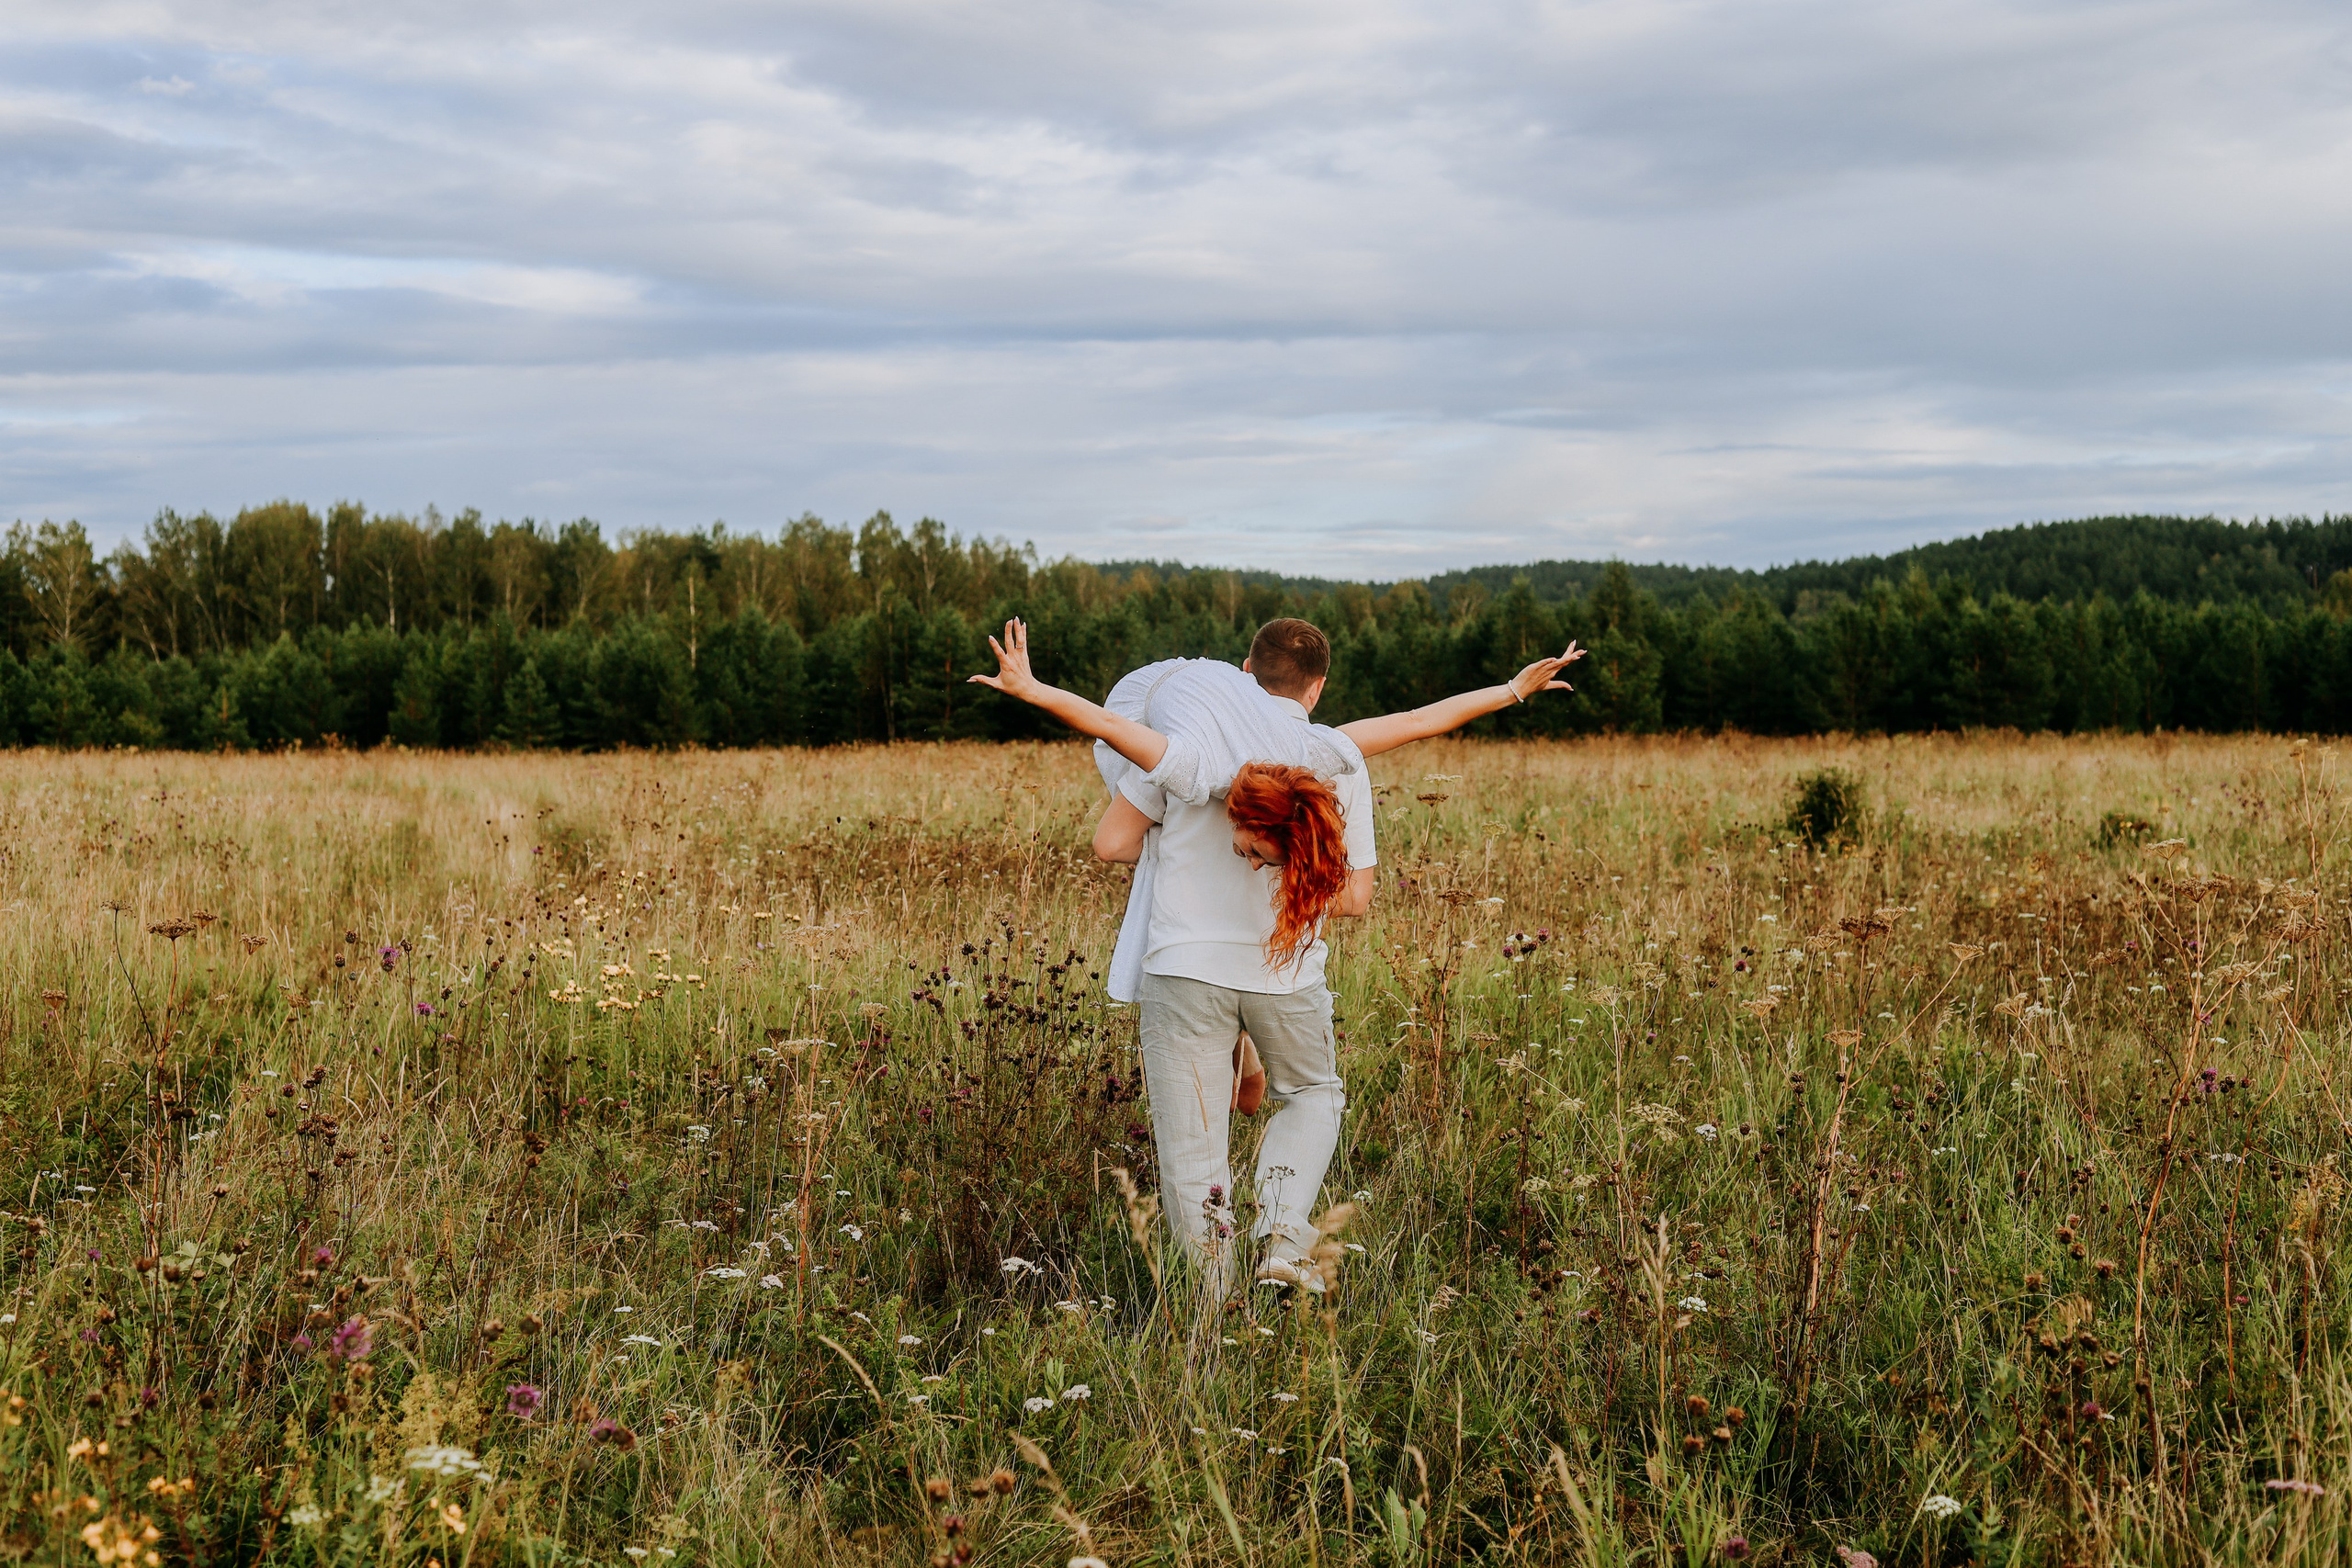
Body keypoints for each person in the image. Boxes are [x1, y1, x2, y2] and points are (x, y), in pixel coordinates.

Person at [971, 615, 1581, 1291]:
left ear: (1243, 671)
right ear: (1316, 688)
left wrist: (1031, 689)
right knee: (1314, 1094)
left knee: (1192, 1151)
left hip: (1184, 969)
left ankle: (1211, 1314)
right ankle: (1283, 1241)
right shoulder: (1317, 755)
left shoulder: (1187, 756)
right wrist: (1510, 691)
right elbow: (1411, 723)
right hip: (1281, 974)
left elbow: (1112, 799)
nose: (1253, 858)